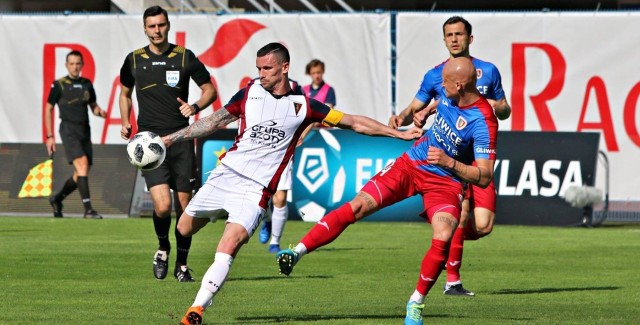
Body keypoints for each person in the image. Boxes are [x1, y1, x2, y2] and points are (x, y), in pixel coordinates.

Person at [160, 42, 421, 325]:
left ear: (285, 68)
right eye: (258, 68)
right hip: (225, 176)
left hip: (255, 190)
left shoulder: (304, 106)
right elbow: (213, 121)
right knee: (183, 227)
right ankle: (218, 214)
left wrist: (399, 134)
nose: (261, 74)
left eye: (267, 68)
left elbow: (354, 122)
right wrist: (170, 139)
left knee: (230, 244)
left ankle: (196, 310)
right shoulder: (249, 93)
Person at [276, 57, 498, 325]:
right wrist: (427, 111)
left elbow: (484, 177)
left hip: (446, 182)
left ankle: (416, 302)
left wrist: (449, 162)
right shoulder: (449, 94)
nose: (441, 85)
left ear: (461, 84)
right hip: (411, 164)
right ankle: (296, 251)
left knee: (443, 234)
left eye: (446, 82)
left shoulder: (484, 121)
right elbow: (441, 100)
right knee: (357, 206)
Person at [389, 15, 511, 297]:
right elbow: (415, 105)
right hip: (448, 160)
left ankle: (444, 235)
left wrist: (498, 106)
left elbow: (504, 111)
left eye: (459, 34)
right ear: (444, 40)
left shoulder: (489, 72)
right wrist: (402, 117)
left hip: (477, 159)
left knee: (483, 225)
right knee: (462, 212)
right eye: (449, 35)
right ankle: (452, 279)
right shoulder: (436, 75)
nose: (454, 39)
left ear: (470, 38)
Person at [119, 5, 217, 283]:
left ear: (168, 25)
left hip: (182, 140)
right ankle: (163, 249)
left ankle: (182, 266)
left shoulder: (184, 57)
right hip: (150, 144)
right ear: (144, 28)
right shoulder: (134, 60)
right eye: (152, 26)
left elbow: (210, 89)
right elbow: (125, 93)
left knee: (184, 208)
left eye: (161, 25)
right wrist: (125, 121)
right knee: (162, 206)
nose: (157, 30)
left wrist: (195, 106)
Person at [45, 50, 107, 219]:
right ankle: (88, 209)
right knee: (83, 164)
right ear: (66, 65)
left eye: (78, 63)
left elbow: (93, 106)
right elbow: (48, 108)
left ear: (82, 65)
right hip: (68, 130)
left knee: (79, 172)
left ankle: (57, 199)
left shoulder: (87, 83)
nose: (75, 67)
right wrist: (49, 136)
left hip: (84, 131)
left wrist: (100, 112)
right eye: (71, 63)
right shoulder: (59, 85)